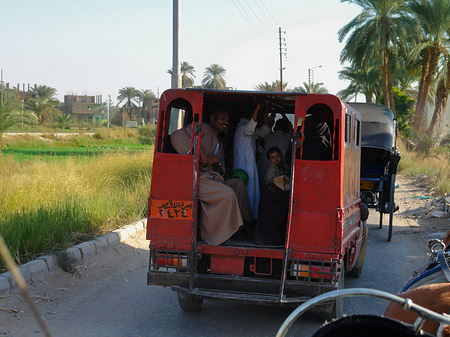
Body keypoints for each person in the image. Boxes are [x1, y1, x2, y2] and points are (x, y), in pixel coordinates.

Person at [170, 109, 252, 246]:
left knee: (238, 185)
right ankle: (219, 235)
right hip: (198, 178)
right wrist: (196, 153)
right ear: (212, 118)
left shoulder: (219, 141)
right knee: (227, 194)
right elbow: (176, 136)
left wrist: (216, 161)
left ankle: (240, 228)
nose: (226, 122)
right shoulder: (202, 128)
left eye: (227, 120)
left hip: (213, 178)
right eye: (222, 118)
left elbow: (220, 166)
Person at [233, 104, 271, 219]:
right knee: (246, 194)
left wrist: (265, 114)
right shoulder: (242, 128)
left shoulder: (247, 128)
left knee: (251, 193)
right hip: (243, 167)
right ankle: (246, 219)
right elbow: (250, 127)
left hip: (249, 166)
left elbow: (264, 131)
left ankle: (250, 218)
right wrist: (258, 109)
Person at [257, 113, 293, 187]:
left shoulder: (268, 136)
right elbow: (290, 127)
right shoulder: (287, 138)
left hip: (263, 165)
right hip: (279, 167)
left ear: (275, 127)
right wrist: (283, 114)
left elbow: (267, 127)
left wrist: (272, 115)